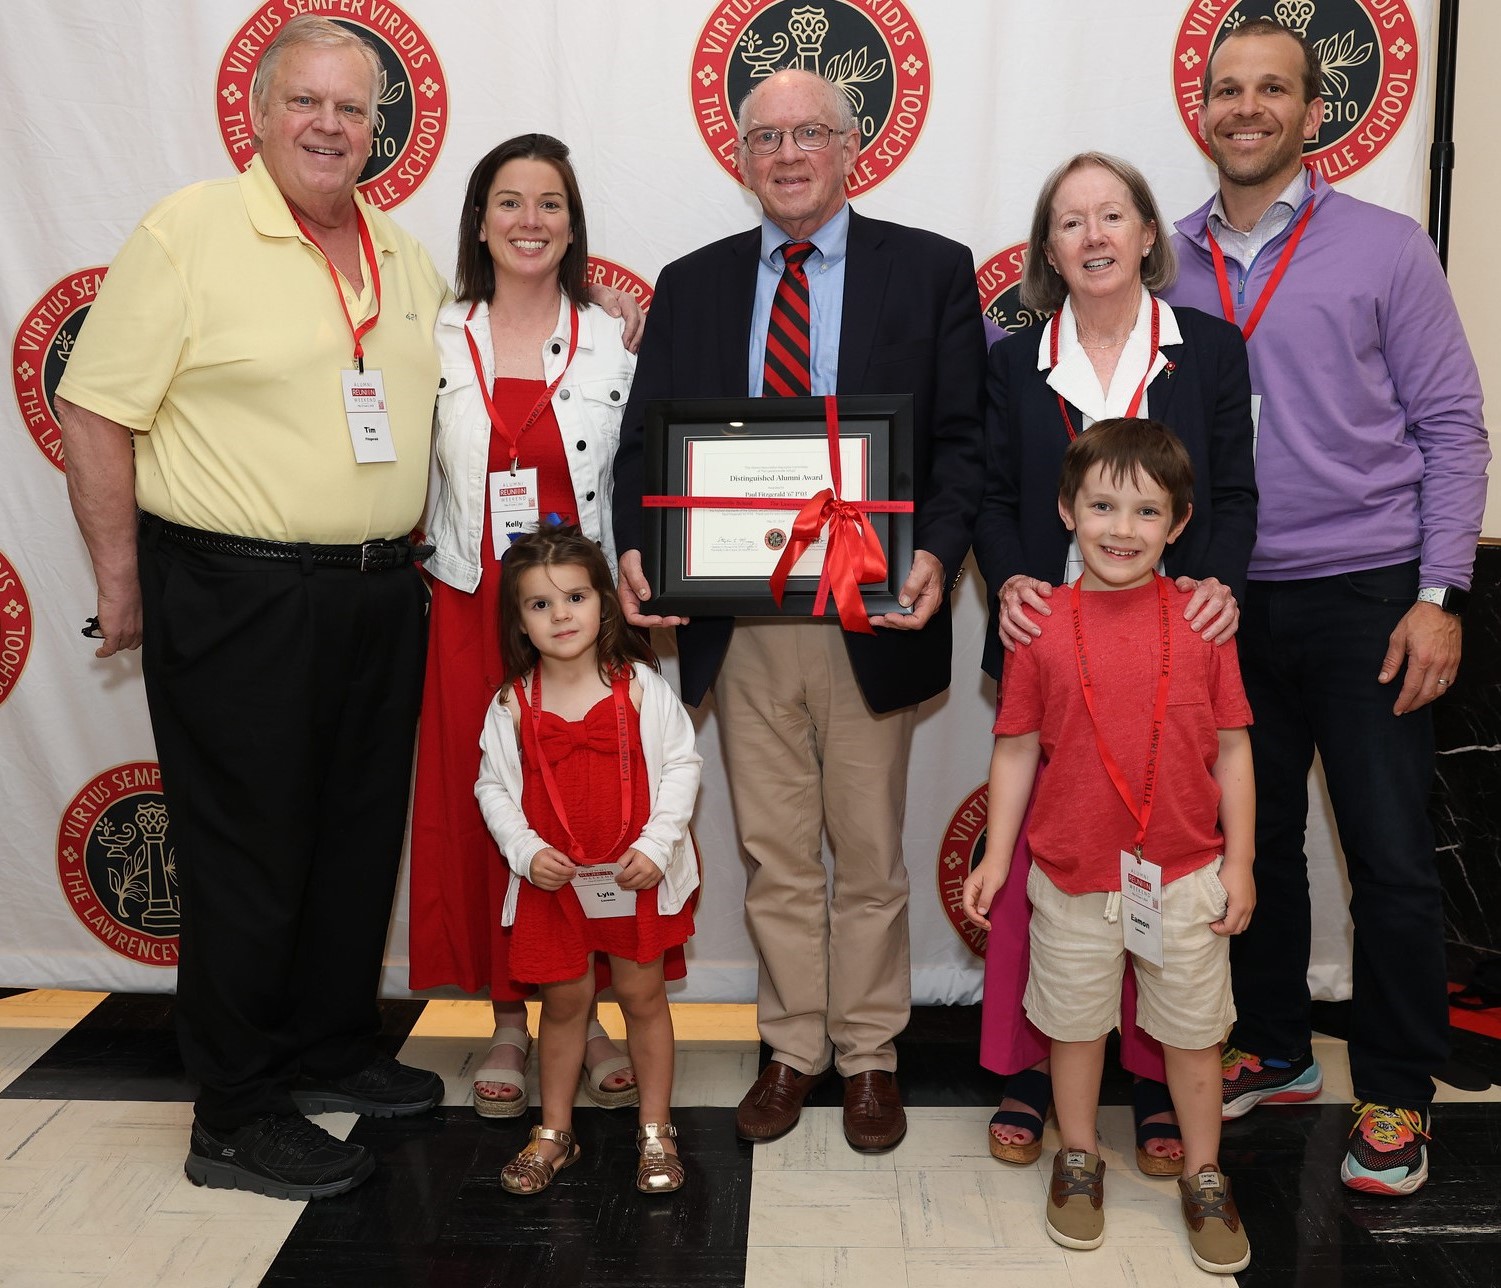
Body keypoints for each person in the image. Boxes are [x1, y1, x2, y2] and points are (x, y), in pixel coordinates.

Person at [54, 16, 448, 1199]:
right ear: (260, 113)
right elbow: (93, 408)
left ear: (382, 124)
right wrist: (123, 581)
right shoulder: (190, 231)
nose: (331, 125)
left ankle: (326, 1047)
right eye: (306, 104)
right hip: (235, 591)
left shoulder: (399, 248)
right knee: (247, 855)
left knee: (349, 838)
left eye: (353, 107)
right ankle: (231, 1111)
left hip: (383, 588)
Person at [612, 68, 985, 1151]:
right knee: (776, 855)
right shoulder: (693, 283)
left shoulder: (928, 271)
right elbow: (645, 446)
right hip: (741, 624)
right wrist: (642, 549)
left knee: (866, 854)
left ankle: (868, 1055)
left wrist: (941, 555)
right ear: (741, 158)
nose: (786, 153)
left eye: (809, 133)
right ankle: (792, 1048)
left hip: (868, 614)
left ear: (852, 147)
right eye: (764, 136)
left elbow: (962, 441)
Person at [1164, 18, 1490, 1195]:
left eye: (1272, 91)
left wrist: (1438, 594)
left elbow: (1454, 428)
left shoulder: (1386, 248)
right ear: (1200, 111)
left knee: (1391, 852)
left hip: (1364, 589)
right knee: (1255, 844)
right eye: (1225, 90)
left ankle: (1398, 1089)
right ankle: (1279, 1045)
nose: (1245, 108)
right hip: (1222, 595)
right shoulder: (1166, 259)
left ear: (1314, 113)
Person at [971, 152, 1257, 1175]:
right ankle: (1023, 1070)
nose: (1092, 236)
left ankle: (1152, 1084)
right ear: (1046, 248)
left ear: (1146, 232)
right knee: (1053, 860)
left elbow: (1233, 492)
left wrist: (1217, 581)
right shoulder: (1010, 361)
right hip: (1049, 635)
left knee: (1163, 865)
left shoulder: (1212, 350)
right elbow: (994, 495)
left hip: (1172, 638)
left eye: (1111, 216)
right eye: (1068, 221)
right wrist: (1008, 582)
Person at [963, 418, 1256, 1275]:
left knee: (1194, 1036)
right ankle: (1079, 1157)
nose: (1120, 529)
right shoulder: (1038, 626)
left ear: (1178, 521)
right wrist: (993, 856)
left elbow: (1233, 745)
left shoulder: (1204, 622)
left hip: (1188, 875)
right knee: (1075, 1026)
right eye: (1100, 506)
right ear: (1065, 510)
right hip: (1068, 874)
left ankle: (1204, 1176)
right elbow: (1016, 747)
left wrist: (1237, 860)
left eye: (1145, 511)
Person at [408, 134, 648, 1119]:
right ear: (478, 220)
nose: (530, 221)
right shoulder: (434, 334)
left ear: (572, 222)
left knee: (574, 806)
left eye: (550, 203)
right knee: (488, 812)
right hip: (470, 609)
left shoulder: (610, 338)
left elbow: (638, 479)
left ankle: (578, 1011)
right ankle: (506, 1018)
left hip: (575, 619)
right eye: (509, 202)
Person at [474, 525, 700, 1194]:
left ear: (603, 601)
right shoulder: (511, 703)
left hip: (635, 876)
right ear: (518, 620)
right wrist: (525, 850)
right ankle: (553, 1132)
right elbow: (492, 786)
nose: (560, 615)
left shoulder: (640, 687)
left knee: (641, 994)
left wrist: (657, 847)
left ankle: (656, 1130)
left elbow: (684, 763)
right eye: (539, 604)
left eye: (574, 597)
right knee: (565, 1003)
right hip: (556, 885)